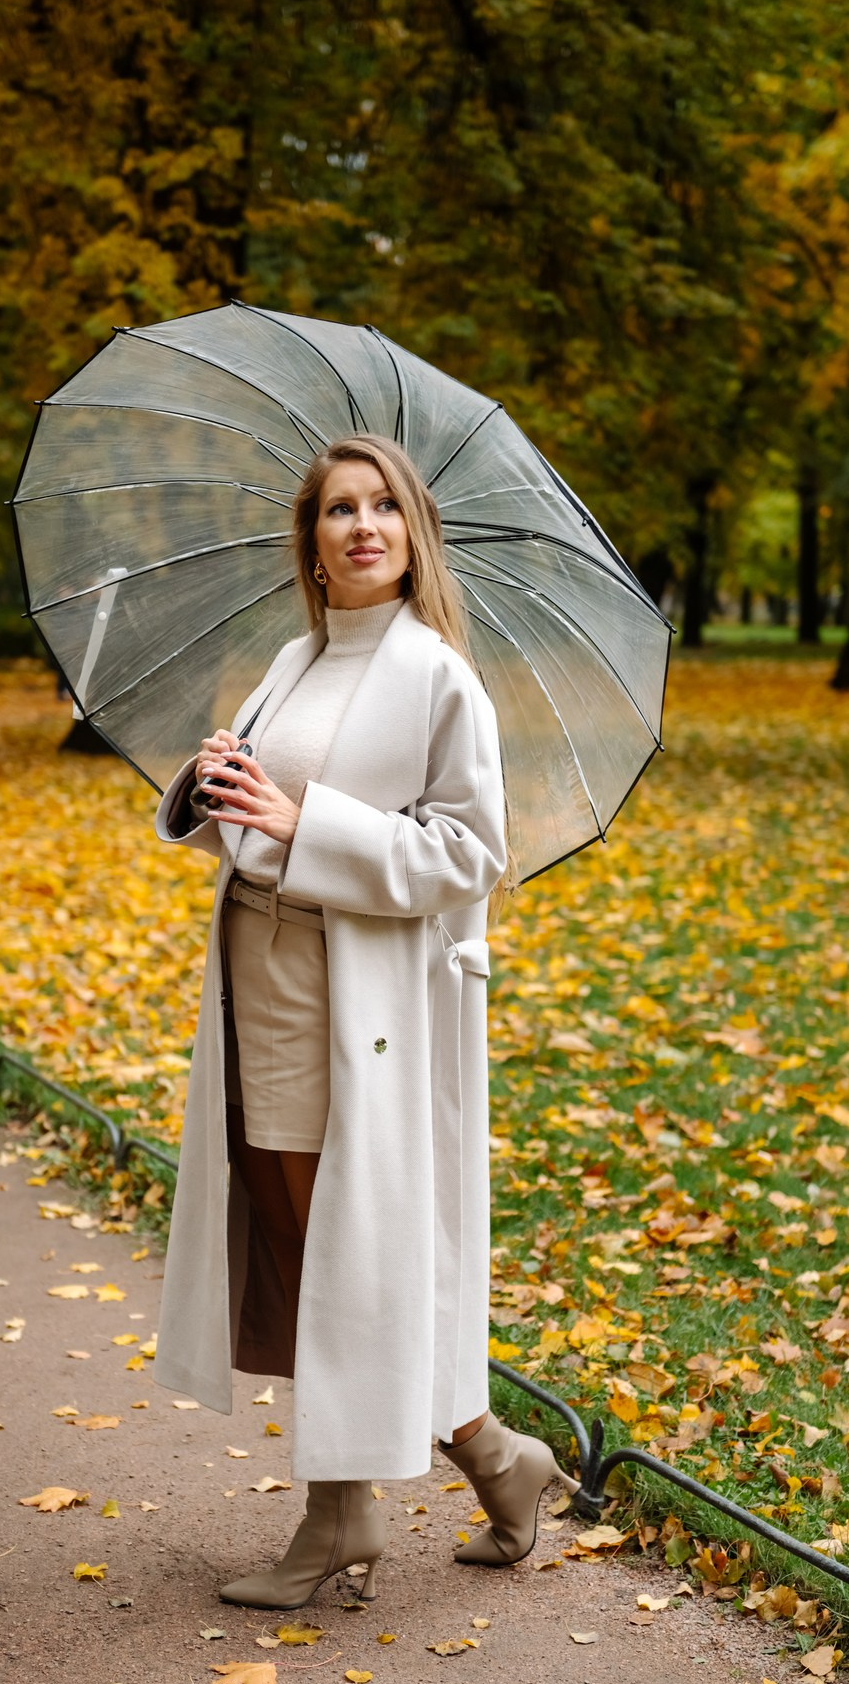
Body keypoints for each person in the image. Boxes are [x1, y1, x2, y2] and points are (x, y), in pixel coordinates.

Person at [152, 433, 576, 1609]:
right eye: (339, 508)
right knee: (299, 1234)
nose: (361, 525)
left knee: (338, 1244)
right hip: (259, 974)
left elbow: (471, 854)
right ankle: (498, 1461)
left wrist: (305, 823)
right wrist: (214, 782)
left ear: (412, 532)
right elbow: (254, 814)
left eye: (383, 505)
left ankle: (345, 1514)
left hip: (357, 994)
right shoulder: (295, 657)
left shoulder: (437, 673)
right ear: (314, 542)